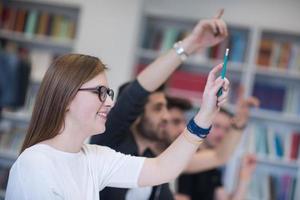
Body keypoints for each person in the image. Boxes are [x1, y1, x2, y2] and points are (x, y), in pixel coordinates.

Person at [5, 54, 229, 200]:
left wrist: (205, 114)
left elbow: (163, 169)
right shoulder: (35, 165)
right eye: (100, 92)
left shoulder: (93, 157)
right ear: (66, 99)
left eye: (109, 93)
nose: (110, 102)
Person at [90, 10, 229, 200]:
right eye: (157, 108)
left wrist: (210, 113)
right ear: (136, 114)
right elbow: (137, 91)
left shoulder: (155, 158)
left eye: (165, 108)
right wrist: (192, 43)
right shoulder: (109, 141)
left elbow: (216, 156)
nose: (166, 116)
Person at [176, 95, 259, 200]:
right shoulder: (188, 157)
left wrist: (244, 177)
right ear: (204, 124)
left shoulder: (212, 165)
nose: (222, 134)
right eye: (217, 126)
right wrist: (239, 123)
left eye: (226, 129)